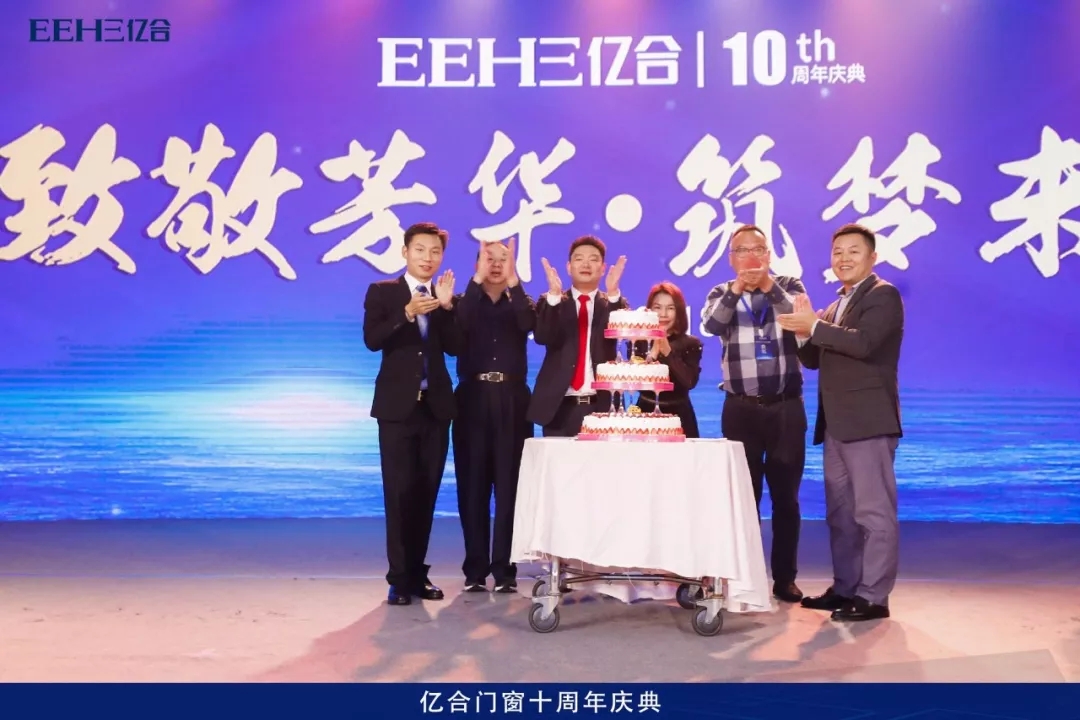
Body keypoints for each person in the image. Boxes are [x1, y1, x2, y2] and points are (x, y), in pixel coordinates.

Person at [777, 223, 905, 622]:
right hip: (836, 425)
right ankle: (846, 587)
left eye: (853, 251)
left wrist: (814, 326)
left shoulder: (883, 295)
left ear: (872, 257)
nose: (843, 258)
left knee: (873, 514)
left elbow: (864, 343)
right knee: (842, 515)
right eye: (837, 252)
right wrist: (803, 334)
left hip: (868, 422)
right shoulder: (834, 306)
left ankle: (874, 597)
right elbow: (815, 360)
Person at [700, 224, 808, 604]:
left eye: (757, 249)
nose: (750, 257)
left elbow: (799, 319)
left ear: (768, 255)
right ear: (732, 259)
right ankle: (744, 577)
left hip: (785, 407)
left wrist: (767, 285)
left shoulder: (790, 286)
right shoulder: (720, 292)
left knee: (786, 499)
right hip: (740, 409)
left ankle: (785, 578)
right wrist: (737, 290)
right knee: (744, 499)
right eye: (742, 251)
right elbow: (712, 325)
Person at [362, 222, 459, 607]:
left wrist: (447, 308)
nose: (428, 258)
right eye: (420, 250)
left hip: (435, 409)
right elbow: (372, 340)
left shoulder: (444, 297)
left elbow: (455, 347)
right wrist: (406, 312)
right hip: (397, 410)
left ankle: (418, 574)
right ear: (405, 252)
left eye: (435, 252)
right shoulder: (383, 292)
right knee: (399, 493)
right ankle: (399, 579)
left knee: (426, 492)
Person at [451, 239, 535, 594]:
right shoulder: (462, 301)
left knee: (510, 486)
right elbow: (456, 332)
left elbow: (530, 324)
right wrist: (475, 283)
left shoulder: (522, 301)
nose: (497, 265)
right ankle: (474, 569)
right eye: (489, 258)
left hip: (514, 398)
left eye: (504, 259)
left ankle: (504, 569)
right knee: (472, 486)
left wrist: (515, 284)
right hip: (472, 397)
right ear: (477, 264)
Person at [527, 235, 628, 437]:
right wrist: (554, 295)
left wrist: (613, 292)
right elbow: (542, 337)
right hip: (559, 408)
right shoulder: (552, 302)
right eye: (579, 258)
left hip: (601, 407)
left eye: (593, 259)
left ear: (603, 268)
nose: (586, 264)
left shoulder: (614, 304)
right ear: (568, 267)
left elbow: (620, 335)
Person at [633, 281, 703, 438]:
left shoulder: (691, 343)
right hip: (645, 414)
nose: (663, 314)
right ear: (649, 310)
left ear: (679, 311)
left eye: (670, 308)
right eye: (657, 307)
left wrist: (667, 352)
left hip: (680, 417)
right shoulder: (639, 341)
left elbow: (689, 382)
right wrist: (653, 352)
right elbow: (637, 382)